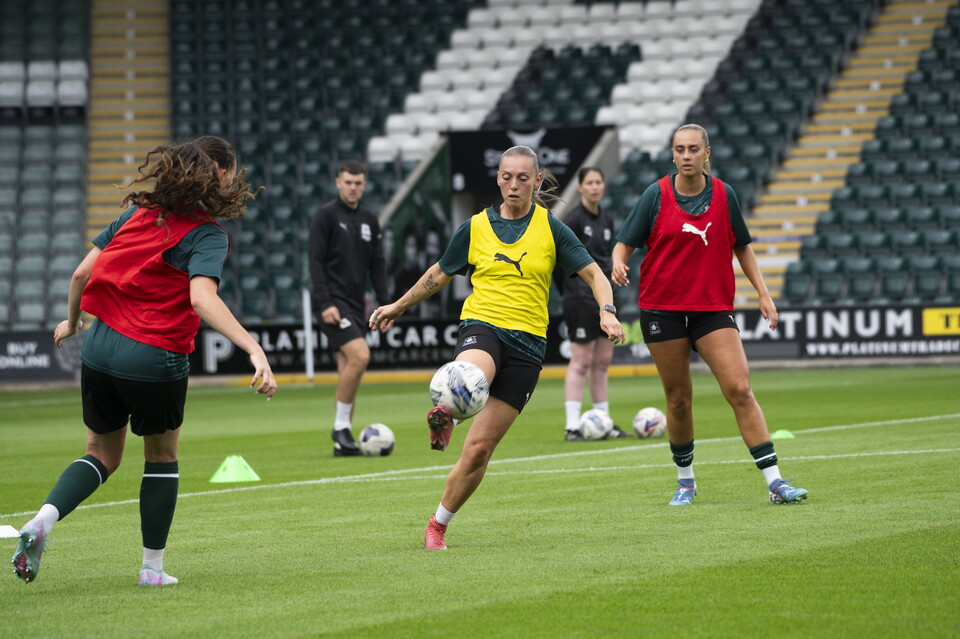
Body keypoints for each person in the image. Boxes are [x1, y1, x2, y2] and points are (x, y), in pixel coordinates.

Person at [11, 136, 277, 586]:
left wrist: (73, 323)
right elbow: (201, 298)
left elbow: (80, 273)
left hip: (99, 347)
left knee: (100, 454)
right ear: (221, 174)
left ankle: (43, 520)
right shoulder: (208, 234)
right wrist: (253, 348)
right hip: (153, 355)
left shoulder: (136, 213)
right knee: (161, 456)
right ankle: (151, 570)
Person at [369, 146, 626, 550]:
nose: (513, 185)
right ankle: (449, 412)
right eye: (506, 177)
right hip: (483, 325)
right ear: (498, 179)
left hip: (529, 346)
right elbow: (439, 272)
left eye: (523, 178)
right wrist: (398, 306)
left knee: (479, 450)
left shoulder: (552, 228)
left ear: (536, 181)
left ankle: (437, 523)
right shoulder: (475, 227)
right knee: (470, 374)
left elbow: (596, 274)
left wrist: (607, 312)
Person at [611, 124, 808, 506]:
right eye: (679, 149)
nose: (686, 156)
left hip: (712, 309)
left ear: (707, 153)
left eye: (693, 149)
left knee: (740, 389)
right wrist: (618, 263)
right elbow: (623, 244)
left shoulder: (724, 194)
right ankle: (685, 482)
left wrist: (763, 293)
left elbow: (742, 246)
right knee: (678, 399)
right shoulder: (655, 194)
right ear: (673, 154)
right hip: (662, 310)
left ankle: (775, 482)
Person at [308, 160, 389, 456]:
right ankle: (340, 427)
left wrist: (387, 305)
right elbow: (315, 261)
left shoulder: (370, 220)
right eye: (348, 182)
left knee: (348, 371)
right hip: (333, 302)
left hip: (356, 305)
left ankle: (342, 441)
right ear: (338, 183)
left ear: (364, 186)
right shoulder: (325, 216)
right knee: (360, 356)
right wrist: (325, 303)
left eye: (358, 183)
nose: (353, 188)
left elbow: (377, 266)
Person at [557, 167, 631, 441]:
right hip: (579, 299)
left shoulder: (607, 218)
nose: (595, 187)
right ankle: (572, 427)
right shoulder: (573, 218)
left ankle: (604, 422)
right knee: (581, 362)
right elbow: (559, 262)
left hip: (604, 299)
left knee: (601, 362)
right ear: (580, 187)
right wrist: (571, 290)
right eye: (589, 182)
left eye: (598, 182)